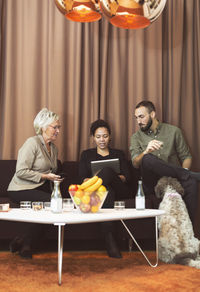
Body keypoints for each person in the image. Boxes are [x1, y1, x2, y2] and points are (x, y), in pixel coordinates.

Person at [130, 100, 200, 225]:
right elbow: (135, 163)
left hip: (174, 178)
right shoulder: (136, 137)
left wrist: (184, 172)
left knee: (192, 183)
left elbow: (186, 157)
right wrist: (146, 151)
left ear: (152, 114)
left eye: (141, 117)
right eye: (136, 118)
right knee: (146, 158)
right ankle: (188, 174)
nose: (138, 121)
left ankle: (188, 230)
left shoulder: (174, 131)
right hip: (151, 182)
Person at [7, 108, 63, 258]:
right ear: (44, 127)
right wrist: (46, 176)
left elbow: (52, 170)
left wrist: (56, 178)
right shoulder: (32, 143)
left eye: (59, 127)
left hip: (39, 188)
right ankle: (26, 245)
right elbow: (20, 171)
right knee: (49, 202)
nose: (58, 130)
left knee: (53, 203)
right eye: (55, 127)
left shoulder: (54, 149)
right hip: (20, 188)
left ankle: (22, 241)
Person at [79, 119, 132, 258]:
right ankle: (110, 240)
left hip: (121, 190)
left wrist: (111, 175)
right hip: (102, 192)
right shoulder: (86, 155)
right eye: (98, 137)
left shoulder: (119, 154)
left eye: (105, 136)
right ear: (93, 138)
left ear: (110, 137)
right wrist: (103, 180)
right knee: (107, 189)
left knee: (107, 172)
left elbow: (126, 177)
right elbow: (82, 179)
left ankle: (95, 188)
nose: (102, 140)